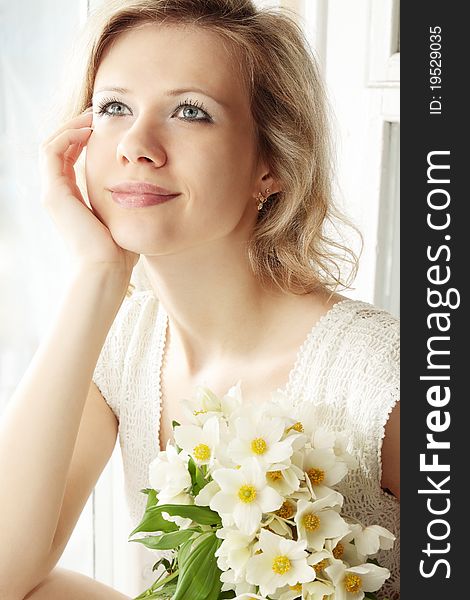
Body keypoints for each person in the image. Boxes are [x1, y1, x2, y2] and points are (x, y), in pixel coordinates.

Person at [0, 1, 400, 599]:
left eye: (191, 111)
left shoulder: (380, 374)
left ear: (272, 163)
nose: (137, 144)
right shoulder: (120, 341)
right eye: (114, 107)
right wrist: (98, 274)